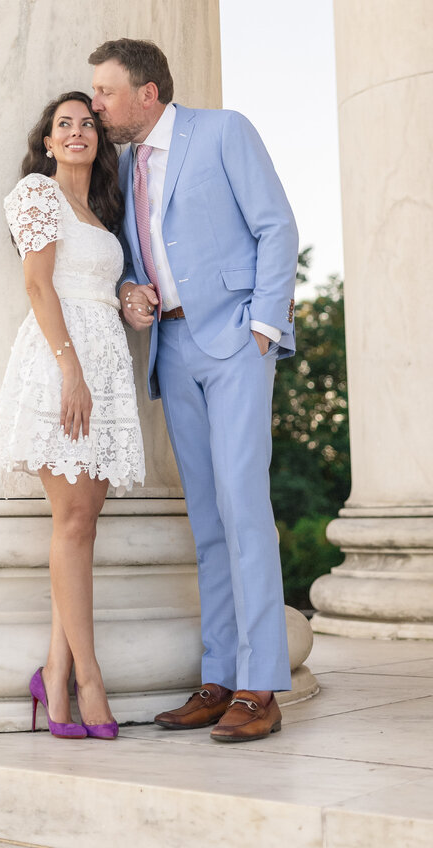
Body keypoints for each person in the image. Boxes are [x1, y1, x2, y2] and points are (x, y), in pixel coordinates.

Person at [89, 39, 298, 744]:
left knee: (244, 510)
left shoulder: (224, 131)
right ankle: (218, 678)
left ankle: (260, 685)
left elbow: (275, 225)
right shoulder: (121, 165)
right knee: (207, 520)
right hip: (173, 350)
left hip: (237, 342)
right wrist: (131, 295)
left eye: (106, 92)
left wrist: (264, 327)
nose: (96, 105)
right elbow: (132, 257)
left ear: (148, 93)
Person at [0, 90, 145, 740]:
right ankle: (88, 681)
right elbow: (37, 283)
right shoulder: (37, 194)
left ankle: (52, 675)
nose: (77, 131)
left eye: (86, 123)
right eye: (63, 124)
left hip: (105, 369)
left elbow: (100, 283)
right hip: (64, 367)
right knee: (73, 525)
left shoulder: (100, 211)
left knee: (83, 526)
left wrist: (131, 293)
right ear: (48, 142)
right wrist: (70, 371)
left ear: (97, 141)